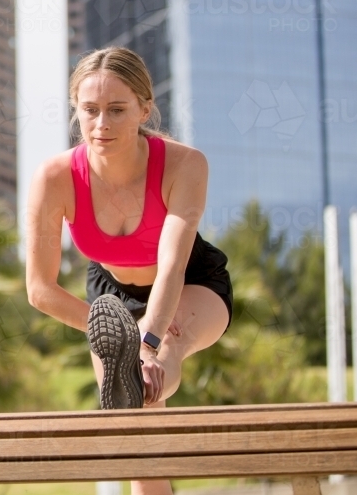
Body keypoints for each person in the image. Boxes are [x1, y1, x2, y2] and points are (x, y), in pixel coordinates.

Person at [25, 47, 234, 495]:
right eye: (90, 110)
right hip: (111, 295)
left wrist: (148, 341)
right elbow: (40, 290)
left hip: (190, 283)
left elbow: (174, 265)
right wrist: (119, 336)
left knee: (163, 354)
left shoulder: (185, 164)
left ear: (144, 108)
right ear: (75, 111)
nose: (102, 124)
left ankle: (151, 355)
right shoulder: (54, 178)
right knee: (135, 429)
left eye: (117, 110)